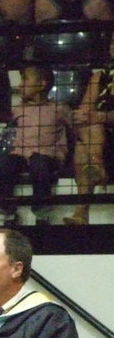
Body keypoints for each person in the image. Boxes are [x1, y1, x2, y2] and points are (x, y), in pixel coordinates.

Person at [0, 63, 73, 226]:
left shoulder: (59, 109)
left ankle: (42, 213)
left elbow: (73, 132)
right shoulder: (18, 109)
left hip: (47, 155)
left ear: (42, 84)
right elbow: (9, 130)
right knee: (4, 166)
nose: (20, 85)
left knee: (39, 164)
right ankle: (7, 212)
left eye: (25, 80)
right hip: (21, 153)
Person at [64, 58, 114, 224]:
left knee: (86, 138)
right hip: (100, 140)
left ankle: (81, 213)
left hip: (104, 138)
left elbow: (95, 116)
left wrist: (101, 116)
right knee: (85, 134)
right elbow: (85, 110)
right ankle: (97, 165)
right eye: (113, 42)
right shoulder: (100, 76)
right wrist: (81, 116)